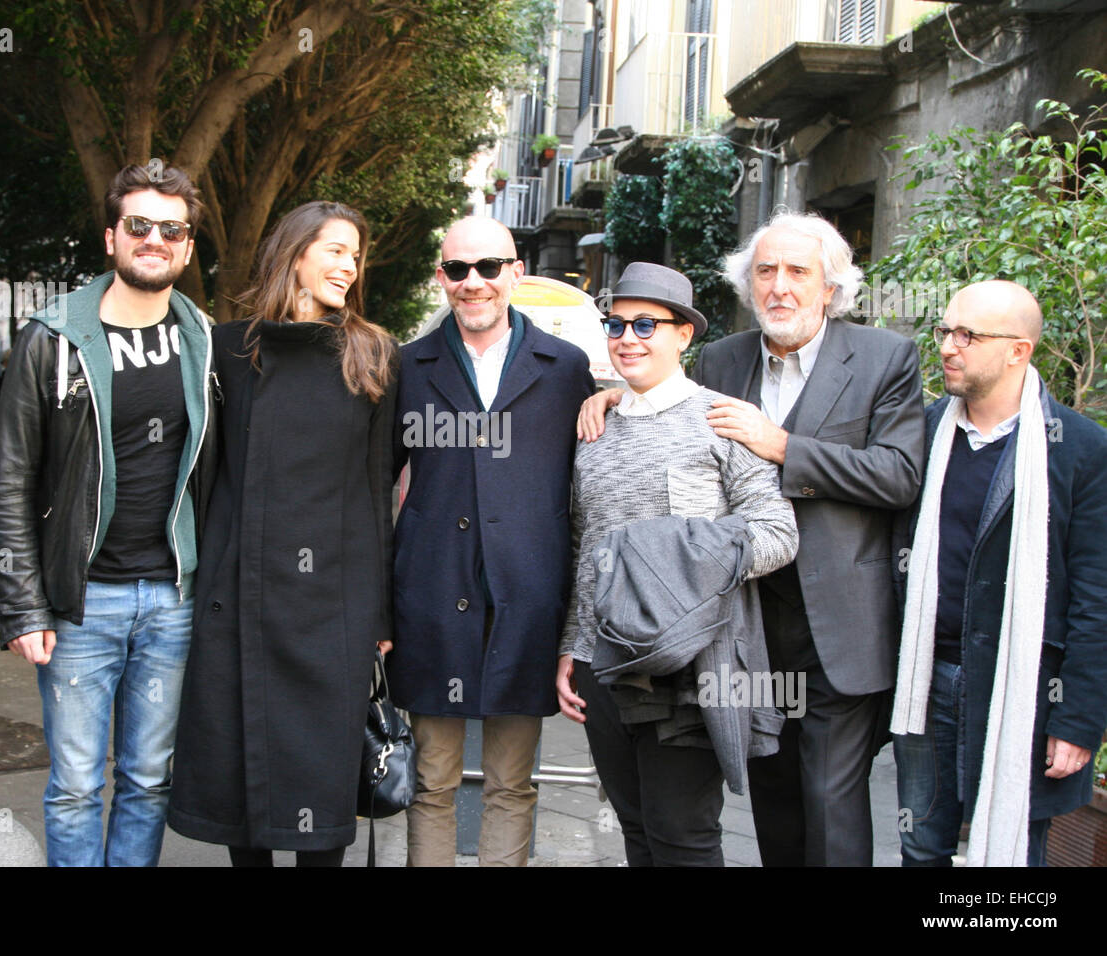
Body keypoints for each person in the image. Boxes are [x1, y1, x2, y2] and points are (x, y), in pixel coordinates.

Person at [579, 211, 926, 866]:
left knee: (830, 793)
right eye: (766, 271)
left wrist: (786, 447)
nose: (780, 287)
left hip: (839, 624)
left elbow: (900, 475)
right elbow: (676, 408)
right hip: (749, 622)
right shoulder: (723, 357)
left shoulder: (885, 358)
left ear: (831, 288)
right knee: (771, 788)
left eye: (799, 272)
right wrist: (612, 399)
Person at [0, 162, 216, 867]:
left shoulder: (205, 340)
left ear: (185, 246)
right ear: (112, 236)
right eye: (139, 225)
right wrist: (22, 607)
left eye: (171, 229)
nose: (155, 239)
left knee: (149, 780)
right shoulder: (52, 339)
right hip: (81, 604)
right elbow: (12, 480)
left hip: (172, 601)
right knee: (78, 784)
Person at [167, 201, 397, 868]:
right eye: (334, 250)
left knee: (319, 799)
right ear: (296, 254)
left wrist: (377, 613)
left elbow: (377, 489)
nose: (348, 266)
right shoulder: (230, 351)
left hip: (333, 612)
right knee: (243, 786)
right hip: (240, 601)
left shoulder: (373, 353)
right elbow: (209, 478)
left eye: (355, 254)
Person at [557, 262, 798, 866]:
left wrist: (681, 562)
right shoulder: (595, 423)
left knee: (683, 836)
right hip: (601, 663)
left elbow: (777, 532)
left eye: (645, 324)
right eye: (615, 324)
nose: (627, 337)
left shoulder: (721, 418)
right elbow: (586, 545)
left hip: (689, 664)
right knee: (634, 827)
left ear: (684, 335)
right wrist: (570, 646)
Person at [388, 217, 594, 866]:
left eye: (489, 267)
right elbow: (370, 485)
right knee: (433, 781)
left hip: (525, 604)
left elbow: (587, 489)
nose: (473, 282)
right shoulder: (406, 368)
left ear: (517, 273)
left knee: (512, 783)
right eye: (457, 270)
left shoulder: (566, 368)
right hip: (430, 601)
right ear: (440, 277)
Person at [891, 280, 1107, 867]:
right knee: (920, 842)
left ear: (1018, 351)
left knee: (1014, 843)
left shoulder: (1079, 450)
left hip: (1026, 688)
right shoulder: (923, 432)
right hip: (926, 679)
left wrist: (1080, 717)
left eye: (968, 335)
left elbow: (1097, 595)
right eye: (944, 331)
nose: (947, 347)